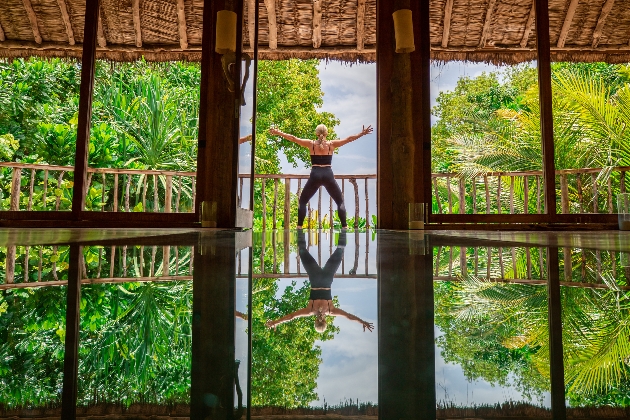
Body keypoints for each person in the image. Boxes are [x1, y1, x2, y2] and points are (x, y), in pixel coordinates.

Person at [265, 231, 374, 333]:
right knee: (302, 250)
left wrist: (362, 322)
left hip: (327, 279)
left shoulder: (331, 310)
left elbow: (349, 316)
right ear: (315, 322)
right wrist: (275, 322)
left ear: (326, 322)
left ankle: (344, 229)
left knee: (340, 250)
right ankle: (299, 228)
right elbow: (292, 316)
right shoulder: (310, 310)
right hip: (315, 278)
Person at [268, 124, 373, 229]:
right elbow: (349, 139)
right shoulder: (331, 144)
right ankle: (344, 227)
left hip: (315, 174)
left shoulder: (311, 144)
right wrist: (362, 133)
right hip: (328, 174)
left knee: (303, 202)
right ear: (327, 133)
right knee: (340, 202)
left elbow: (293, 138)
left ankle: (299, 227)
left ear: (316, 133)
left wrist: (278, 132)